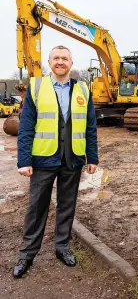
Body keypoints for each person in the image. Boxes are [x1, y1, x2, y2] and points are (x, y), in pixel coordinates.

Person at [13, 45, 99, 278]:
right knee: (36, 208)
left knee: (67, 205)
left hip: (72, 159)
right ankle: (27, 254)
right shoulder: (36, 87)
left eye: (65, 58)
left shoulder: (82, 89)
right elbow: (26, 128)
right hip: (43, 159)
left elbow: (90, 125)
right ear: (49, 62)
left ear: (71, 63)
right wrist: (24, 160)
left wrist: (93, 156)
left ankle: (62, 248)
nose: (60, 62)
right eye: (56, 58)